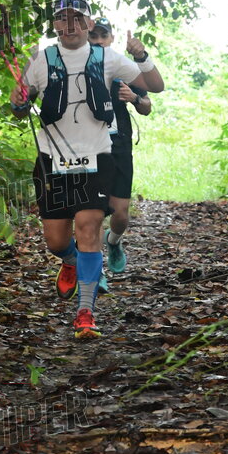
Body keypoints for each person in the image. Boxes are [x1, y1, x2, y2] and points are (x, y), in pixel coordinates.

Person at [9, 0, 162, 339]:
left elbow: (155, 87)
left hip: (97, 156)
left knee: (89, 227)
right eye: (62, 19)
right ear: (54, 24)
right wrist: (18, 102)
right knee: (55, 241)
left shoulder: (107, 57)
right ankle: (70, 260)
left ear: (88, 24)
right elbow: (20, 108)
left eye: (77, 18)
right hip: (51, 159)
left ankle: (85, 312)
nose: (70, 25)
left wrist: (141, 56)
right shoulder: (42, 59)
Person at [88, 17, 163, 291]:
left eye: (103, 36)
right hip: (87, 148)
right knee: (93, 213)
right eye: (93, 36)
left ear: (111, 39)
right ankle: (95, 272)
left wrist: (134, 98)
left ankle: (114, 241)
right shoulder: (76, 68)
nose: (98, 41)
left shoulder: (122, 68)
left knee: (120, 214)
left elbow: (148, 105)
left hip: (118, 147)